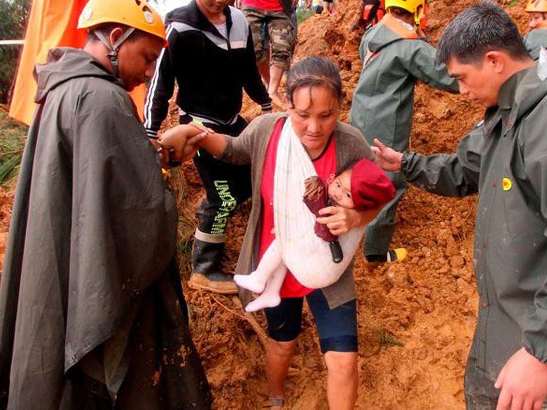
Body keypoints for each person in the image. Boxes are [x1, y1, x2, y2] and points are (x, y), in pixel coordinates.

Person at [372, 3, 547, 409]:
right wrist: (407, 164)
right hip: (509, 333)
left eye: (463, 79)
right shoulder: (505, 114)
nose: (461, 92)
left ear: (494, 61)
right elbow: (465, 170)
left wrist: (541, 351)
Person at [0, 0, 213, 408]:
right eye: (146, 57)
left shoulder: (63, 89)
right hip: (90, 295)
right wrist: (161, 172)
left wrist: (157, 152)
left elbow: (98, 173)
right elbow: (138, 214)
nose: (148, 72)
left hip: (58, 274)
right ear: (115, 37)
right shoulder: (103, 99)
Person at [160, 56, 381, 410]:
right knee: (283, 343)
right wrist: (197, 136)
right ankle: (275, 398)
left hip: (328, 267)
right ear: (287, 104)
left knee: (343, 359)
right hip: (277, 265)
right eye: (301, 114)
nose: (313, 127)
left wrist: (355, 216)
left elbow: (377, 196)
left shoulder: (350, 143)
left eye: (326, 115)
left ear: (339, 105)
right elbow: (233, 150)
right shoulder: (268, 131)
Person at [144, 0, 272, 294]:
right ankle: (204, 268)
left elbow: (248, 70)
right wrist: (150, 128)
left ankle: (213, 216)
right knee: (223, 197)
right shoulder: (178, 25)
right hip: (197, 127)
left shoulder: (239, 22)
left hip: (232, 120)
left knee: (259, 172)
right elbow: (160, 81)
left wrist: (266, 104)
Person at [349, 0, 458, 263]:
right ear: (419, 11)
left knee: (358, 171)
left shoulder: (374, 32)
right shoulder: (410, 46)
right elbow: (448, 77)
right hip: (387, 123)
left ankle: (351, 229)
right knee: (389, 182)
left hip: (361, 114)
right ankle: (375, 251)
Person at [231, 158, 395, 312]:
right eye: (338, 185)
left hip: (316, 253)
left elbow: (320, 228)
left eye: (348, 195)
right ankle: (271, 292)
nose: (338, 193)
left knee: (281, 244)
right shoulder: (326, 196)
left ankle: (259, 279)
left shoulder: (339, 213)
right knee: (282, 257)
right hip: (308, 246)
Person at [240, 0, 295, 106]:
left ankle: (272, 91)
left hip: (280, 7)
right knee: (252, 51)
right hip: (252, 5)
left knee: (282, 47)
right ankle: (269, 82)